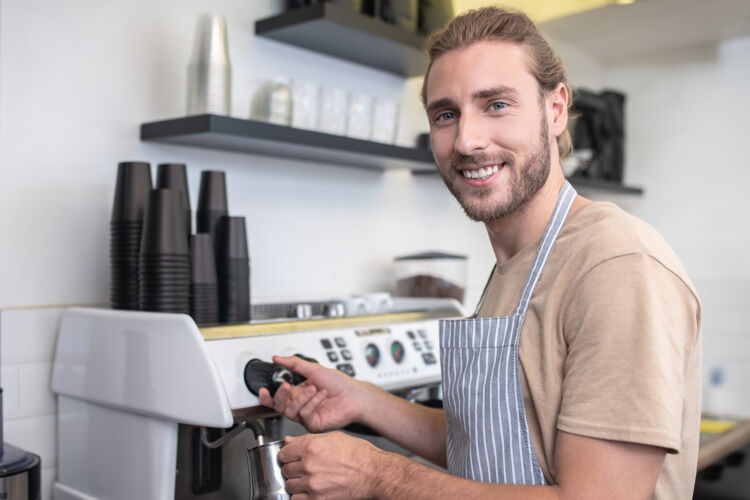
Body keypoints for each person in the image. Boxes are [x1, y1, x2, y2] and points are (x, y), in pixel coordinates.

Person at [259, 6, 702, 499]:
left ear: (555, 110)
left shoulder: (616, 265)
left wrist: (375, 474)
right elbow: (490, 452)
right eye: (446, 114)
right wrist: (363, 400)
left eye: (496, 105)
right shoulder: (516, 265)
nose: (467, 140)